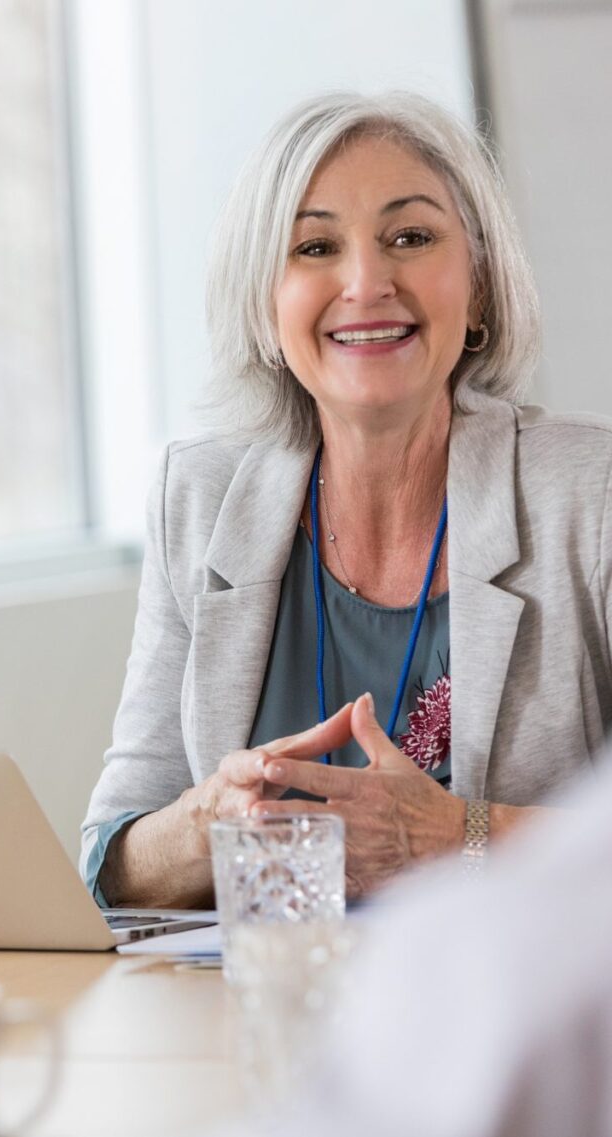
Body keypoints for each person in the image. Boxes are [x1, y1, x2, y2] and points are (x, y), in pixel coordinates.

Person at [80, 90, 612, 908]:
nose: (366, 283)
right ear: (266, 306)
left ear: (477, 288)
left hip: (523, 1022)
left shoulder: (592, 492)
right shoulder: (198, 494)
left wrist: (456, 836)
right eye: (315, 246)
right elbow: (113, 860)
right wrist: (209, 820)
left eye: (411, 237)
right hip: (263, 1014)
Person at [215, 754, 612, 1137]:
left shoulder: (441, 948)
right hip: (234, 1018)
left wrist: (465, 828)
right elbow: (149, 856)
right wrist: (207, 817)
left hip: (492, 996)